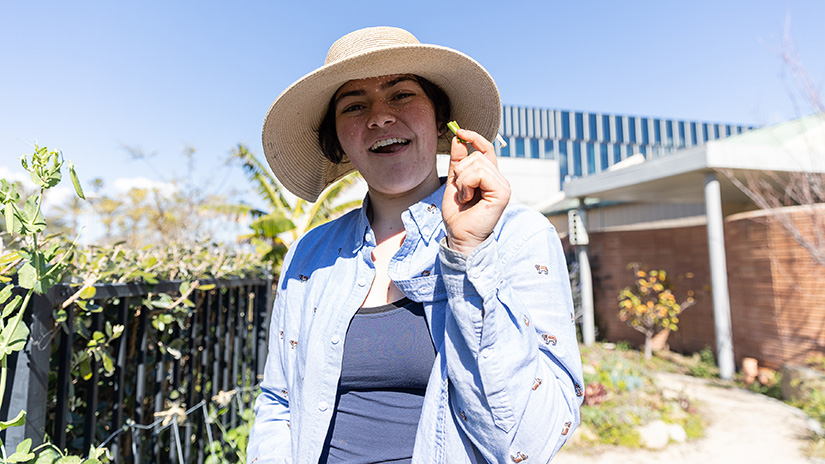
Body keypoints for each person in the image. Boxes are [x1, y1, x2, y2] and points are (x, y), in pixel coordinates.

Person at [247, 26, 584, 464]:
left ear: (439, 117)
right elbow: (279, 401)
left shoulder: (517, 235)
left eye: (401, 95)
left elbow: (529, 440)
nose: (379, 117)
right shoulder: (311, 253)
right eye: (354, 105)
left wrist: (468, 254)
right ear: (338, 138)